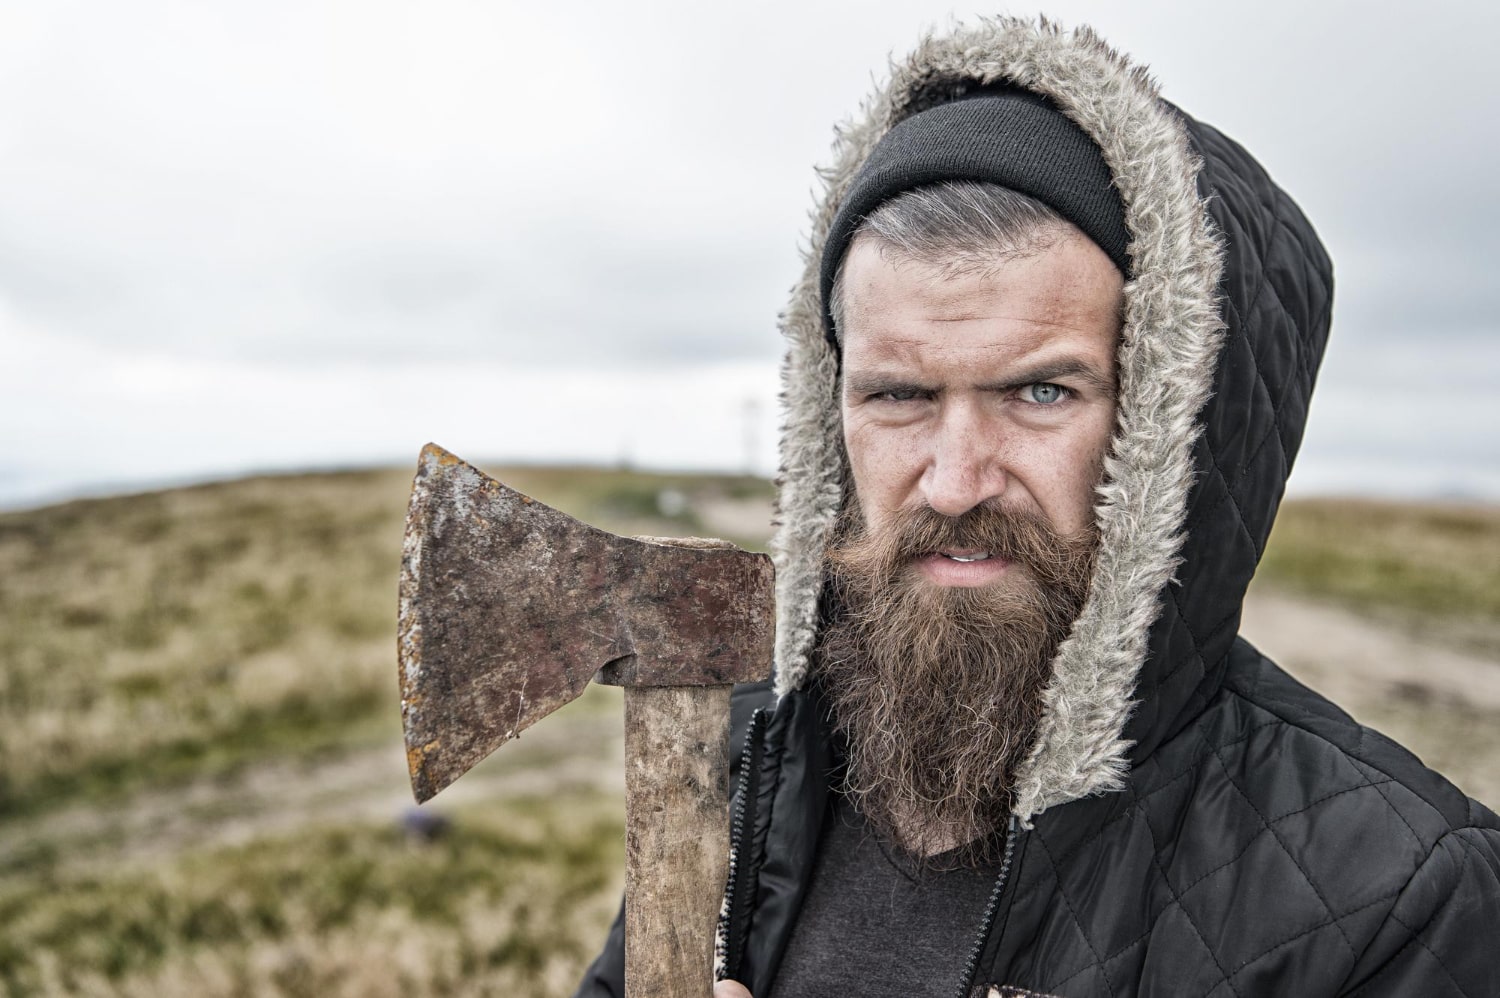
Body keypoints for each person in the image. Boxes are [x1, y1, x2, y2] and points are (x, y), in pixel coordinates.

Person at [577, 16, 1500, 997]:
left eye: (1040, 392)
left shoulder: (1401, 896)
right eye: (899, 394)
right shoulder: (748, 752)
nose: (955, 479)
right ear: (826, 417)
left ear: (1168, 425)